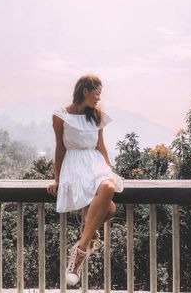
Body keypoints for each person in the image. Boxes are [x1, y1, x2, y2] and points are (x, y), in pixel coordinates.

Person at [47, 74, 124, 286]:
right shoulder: (61, 115)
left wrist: (110, 169)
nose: (99, 98)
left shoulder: (97, 115)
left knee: (109, 186)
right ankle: (87, 235)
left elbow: (101, 146)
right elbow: (60, 148)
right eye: (96, 93)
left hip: (95, 163)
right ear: (85, 91)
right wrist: (56, 178)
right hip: (74, 164)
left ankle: (78, 252)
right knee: (109, 210)